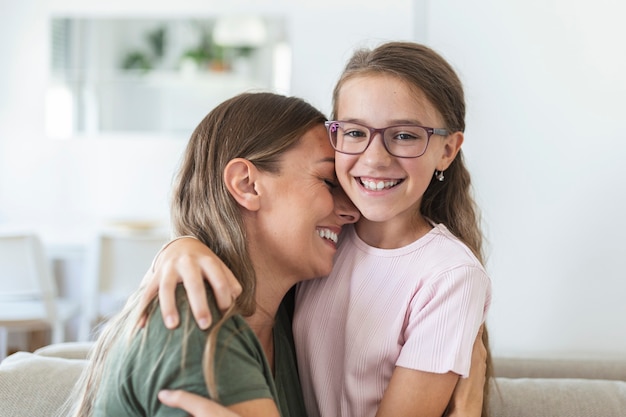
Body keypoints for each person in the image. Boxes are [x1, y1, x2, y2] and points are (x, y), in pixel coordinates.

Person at [145, 41, 493, 417]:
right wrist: (183, 245)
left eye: (405, 135)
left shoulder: (450, 275)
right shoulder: (322, 241)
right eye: (356, 133)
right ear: (335, 135)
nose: (375, 158)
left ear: (447, 150)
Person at [65, 91, 363, 417]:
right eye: (328, 182)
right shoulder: (193, 322)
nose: (352, 211)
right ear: (247, 184)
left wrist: (178, 245)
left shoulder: (289, 318)